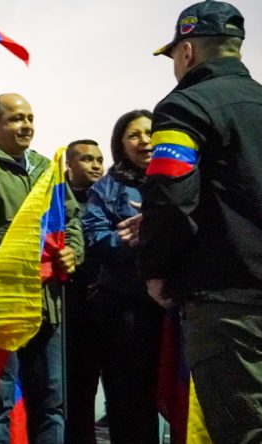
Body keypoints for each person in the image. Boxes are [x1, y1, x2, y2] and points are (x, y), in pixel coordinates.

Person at [139, 0, 262, 444]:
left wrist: (155, 268)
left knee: (246, 430)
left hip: (229, 306)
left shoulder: (184, 106)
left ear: (187, 51)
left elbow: (171, 197)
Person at [0, 93, 84, 444]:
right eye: (15, 119)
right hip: (3, 303)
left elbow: (71, 219)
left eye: (29, 118)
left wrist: (73, 252)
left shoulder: (45, 167)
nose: (26, 126)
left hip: (47, 301)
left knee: (51, 402)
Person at [80, 111, 160, 443]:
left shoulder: (178, 181)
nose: (145, 141)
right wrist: (136, 239)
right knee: (128, 394)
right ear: (121, 144)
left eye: (150, 133)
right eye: (134, 135)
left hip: (174, 306)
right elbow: (94, 236)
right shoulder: (108, 187)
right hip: (125, 305)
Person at [62, 139, 105, 444]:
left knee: (89, 382)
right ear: (69, 164)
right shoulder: (54, 197)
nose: (96, 166)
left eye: (100, 160)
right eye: (88, 159)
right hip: (66, 301)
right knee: (67, 383)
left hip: (101, 300)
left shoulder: (107, 197)